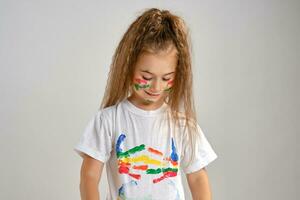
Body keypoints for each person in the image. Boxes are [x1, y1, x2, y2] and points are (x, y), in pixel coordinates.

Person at [74, 7, 218, 200]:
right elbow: (89, 176)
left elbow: (198, 178)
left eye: (167, 78)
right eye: (146, 76)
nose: (156, 86)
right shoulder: (108, 120)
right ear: (129, 66)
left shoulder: (183, 126)